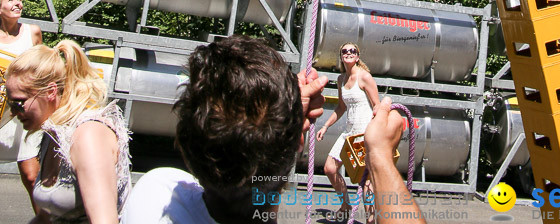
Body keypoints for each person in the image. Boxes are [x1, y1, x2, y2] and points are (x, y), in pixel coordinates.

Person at [121, 35, 328, 224]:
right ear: (300, 143)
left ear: (185, 143)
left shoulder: (154, 195)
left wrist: (289, 119)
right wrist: (289, 120)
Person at [5, 38, 131, 224]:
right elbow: (45, 217)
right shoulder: (53, 134)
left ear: (50, 91)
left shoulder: (88, 136)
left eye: (19, 102)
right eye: (10, 104)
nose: (15, 113)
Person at [316, 42, 380, 222]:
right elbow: (341, 107)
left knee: (366, 179)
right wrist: (325, 126)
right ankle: (345, 206)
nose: (349, 53)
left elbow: (377, 105)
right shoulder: (341, 80)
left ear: (358, 56)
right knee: (329, 168)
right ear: (341, 56)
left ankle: (370, 219)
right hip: (349, 132)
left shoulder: (364, 77)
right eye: (345, 51)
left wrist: (375, 131)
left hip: (364, 132)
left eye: (353, 51)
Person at [0, 0, 43, 208]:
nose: (18, 3)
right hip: (0, 112)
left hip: (22, 113)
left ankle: (44, 219)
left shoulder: (32, 32)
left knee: (31, 177)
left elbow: (43, 66)